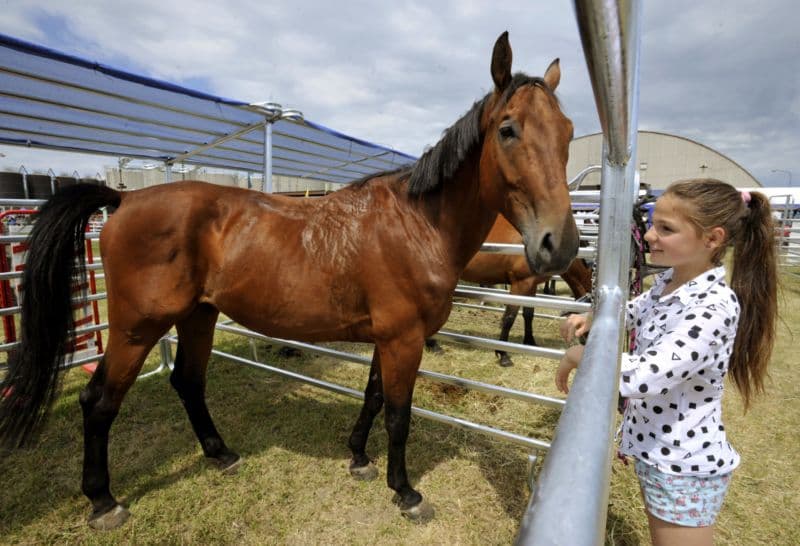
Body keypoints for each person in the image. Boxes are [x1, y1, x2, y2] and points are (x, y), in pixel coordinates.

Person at [555, 178, 778, 546]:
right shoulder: (669, 283)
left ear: (712, 239)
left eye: (666, 229)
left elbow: (647, 376)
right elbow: (637, 310)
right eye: (652, 223)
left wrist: (582, 355)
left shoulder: (713, 306)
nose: (649, 236)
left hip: (683, 466)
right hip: (657, 452)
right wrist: (593, 319)